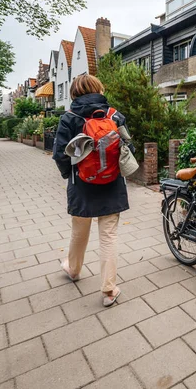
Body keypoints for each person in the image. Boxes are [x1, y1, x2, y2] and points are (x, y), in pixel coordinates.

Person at [53, 75, 129, 307]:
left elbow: (59, 154)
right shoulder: (115, 115)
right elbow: (128, 146)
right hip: (112, 183)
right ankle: (108, 290)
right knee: (108, 236)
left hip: (82, 185)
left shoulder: (70, 117)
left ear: (74, 92)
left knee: (79, 231)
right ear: (99, 89)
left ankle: (74, 269)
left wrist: (71, 175)